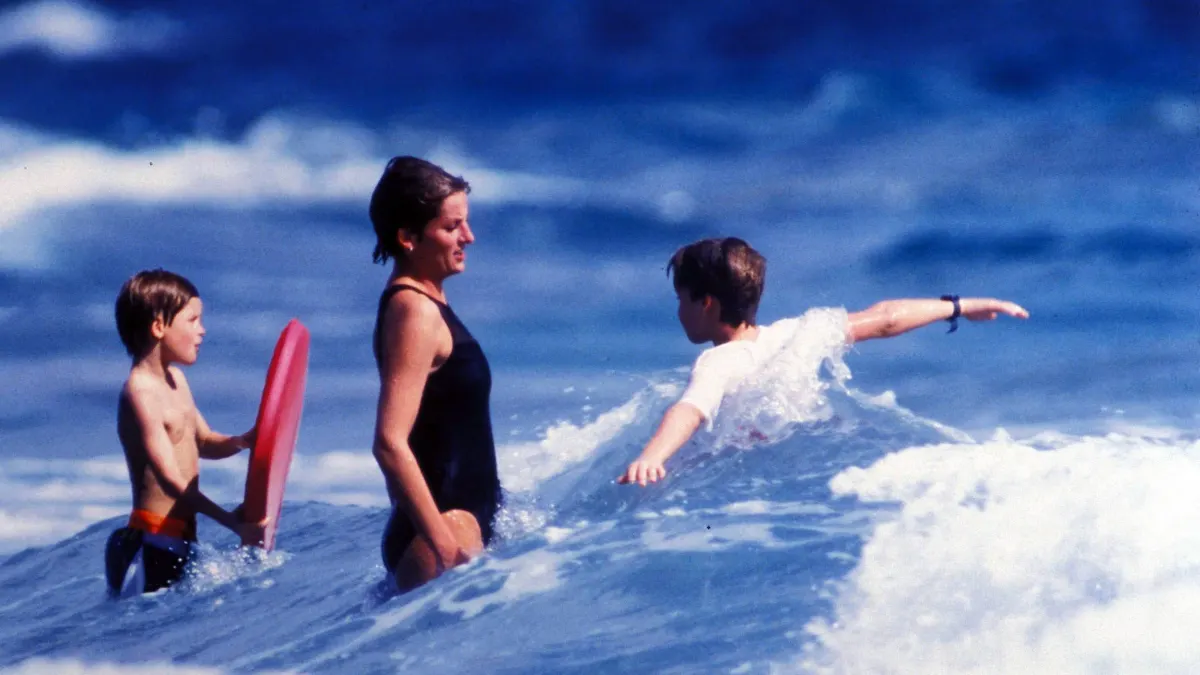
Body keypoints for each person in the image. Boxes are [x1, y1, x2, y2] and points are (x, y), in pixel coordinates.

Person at [617, 237, 1030, 486]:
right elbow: (886, 318)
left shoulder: (718, 363)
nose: (677, 312)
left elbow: (689, 409)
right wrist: (960, 306)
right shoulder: (798, 333)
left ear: (706, 304)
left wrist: (653, 456)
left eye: (680, 300)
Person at [369, 156, 503, 592]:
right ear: (407, 237)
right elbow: (390, 443)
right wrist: (444, 543)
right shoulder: (414, 312)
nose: (469, 237)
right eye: (452, 227)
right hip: (443, 534)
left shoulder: (422, 306)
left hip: (448, 525)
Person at [107, 269, 266, 596]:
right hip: (150, 544)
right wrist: (231, 522)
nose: (202, 331)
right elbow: (170, 479)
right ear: (159, 327)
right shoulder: (140, 393)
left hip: (179, 541)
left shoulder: (177, 381)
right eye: (193, 320)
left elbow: (204, 442)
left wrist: (243, 440)